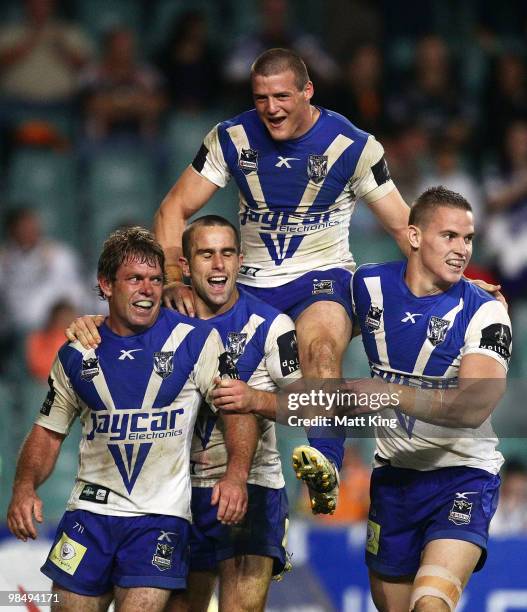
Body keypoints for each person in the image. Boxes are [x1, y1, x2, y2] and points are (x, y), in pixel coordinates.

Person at [154, 47, 412, 515]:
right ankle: (254, 520)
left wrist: (464, 286)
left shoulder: (354, 146)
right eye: (260, 98)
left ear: (307, 91)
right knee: (233, 395)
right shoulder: (230, 138)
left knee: (319, 349)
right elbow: (173, 209)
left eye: (281, 97)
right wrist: (173, 277)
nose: (270, 108)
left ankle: (327, 467)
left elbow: (404, 228)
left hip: (322, 278)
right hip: (249, 285)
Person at [7, 226, 254, 611]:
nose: (147, 289)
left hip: (159, 519)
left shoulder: (197, 340)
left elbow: (237, 408)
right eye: (135, 279)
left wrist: (236, 475)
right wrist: (23, 487)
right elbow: (48, 432)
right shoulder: (77, 353)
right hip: (89, 515)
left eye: (155, 279)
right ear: (106, 284)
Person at [65, 216, 301, 612]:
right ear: (186, 266)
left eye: (227, 253)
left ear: (240, 260)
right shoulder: (162, 316)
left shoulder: (272, 325)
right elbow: (117, 326)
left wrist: (253, 399)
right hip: (179, 495)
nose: (219, 265)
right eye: (207, 254)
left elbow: (313, 407)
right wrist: (89, 324)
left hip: (251, 483)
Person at [346, 186, 511, 611]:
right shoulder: (368, 285)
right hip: (395, 480)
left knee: (430, 603)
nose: (461, 249)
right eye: (449, 236)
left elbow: (473, 407)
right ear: (415, 237)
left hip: (462, 476)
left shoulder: (485, 311)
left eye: (468, 238)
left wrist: (389, 393)